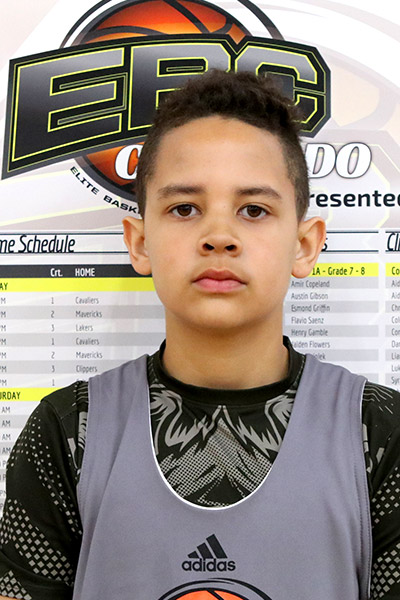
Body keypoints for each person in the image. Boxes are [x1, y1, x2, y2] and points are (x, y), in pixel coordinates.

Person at [0, 70, 399, 600]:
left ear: (304, 245)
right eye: (184, 208)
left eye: (253, 210)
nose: (219, 236)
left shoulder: (380, 433)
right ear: (140, 242)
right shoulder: (69, 430)